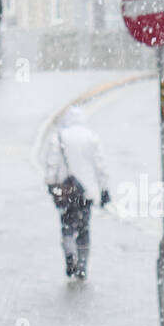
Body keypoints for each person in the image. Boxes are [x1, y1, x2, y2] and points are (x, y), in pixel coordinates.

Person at [43, 105, 111, 280]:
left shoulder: (59, 137)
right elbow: (100, 165)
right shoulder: (91, 137)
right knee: (83, 229)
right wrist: (104, 189)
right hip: (86, 192)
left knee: (67, 226)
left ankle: (70, 255)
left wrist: (51, 183)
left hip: (66, 191)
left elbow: (52, 163)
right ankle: (81, 265)